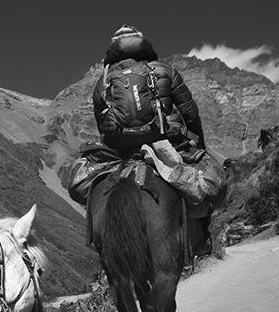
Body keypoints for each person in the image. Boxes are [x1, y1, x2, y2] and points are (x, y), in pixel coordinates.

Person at [70, 25, 222, 254]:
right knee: (208, 182)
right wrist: (198, 146)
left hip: (122, 151)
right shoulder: (164, 70)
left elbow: (102, 125)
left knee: (84, 184)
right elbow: (190, 113)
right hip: (167, 142)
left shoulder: (103, 81)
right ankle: (200, 242)